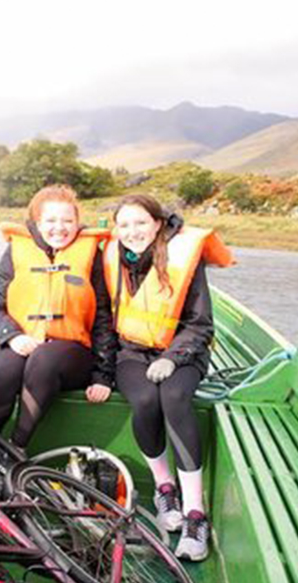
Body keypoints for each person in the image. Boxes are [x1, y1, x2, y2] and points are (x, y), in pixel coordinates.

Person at [103, 194, 233, 561]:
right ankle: (165, 489)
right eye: (124, 225)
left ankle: (195, 514)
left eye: (141, 223)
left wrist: (174, 358)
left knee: (173, 398)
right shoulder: (112, 258)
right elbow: (103, 317)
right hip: (132, 353)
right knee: (145, 400)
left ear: (158, 223)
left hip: (184, 354)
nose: (133, 232)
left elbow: (200, 324)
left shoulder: (183, 258)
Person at [0, 184, 116, 451]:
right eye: (51, 220)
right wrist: (12, 336)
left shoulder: (91, 255)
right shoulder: (15, 251)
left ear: (77, 222)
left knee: (44, 359)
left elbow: (103, 318)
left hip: (73, 352)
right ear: (37, 222)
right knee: (3, 374)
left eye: (68, 220)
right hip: (23, 339)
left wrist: (103, 375)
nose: (60, 227)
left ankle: (16, 448)